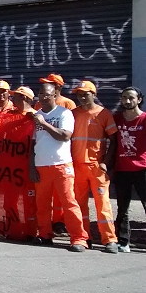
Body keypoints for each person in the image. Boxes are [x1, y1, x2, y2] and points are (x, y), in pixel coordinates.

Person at [28, 82, 89, 252]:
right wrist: (32, 167)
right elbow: (33, 144)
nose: (43, 97)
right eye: (40, 94)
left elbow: (64, 136)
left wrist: (44, 123)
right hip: (41, 166)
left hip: (61, 165)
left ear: (55, 95)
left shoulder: (64, 113)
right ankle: (45, 234)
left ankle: (78, 238)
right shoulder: (37, 115)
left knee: (69, 202)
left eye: (47, 94)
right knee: (42, 204)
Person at [70, 80, 119, 253]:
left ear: (94, 94)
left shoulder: (103, 114)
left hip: (97, 167)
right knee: (79, 204)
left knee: (103, 203)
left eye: (86, 94)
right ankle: (83, 239)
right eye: (79, 94)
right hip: (77, 166)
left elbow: (113, 140)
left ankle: (109, 240)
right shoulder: (72, 114)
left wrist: (105, 162)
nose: (82, 97)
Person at [113, 87, 146, 253]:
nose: (127, 101)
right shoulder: (117, 119)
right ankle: (123, 241)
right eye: (124, 97)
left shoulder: (145, 119)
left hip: (142, 170)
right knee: (122, 208)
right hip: (122, 170)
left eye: (131, 98)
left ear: (139, 99)